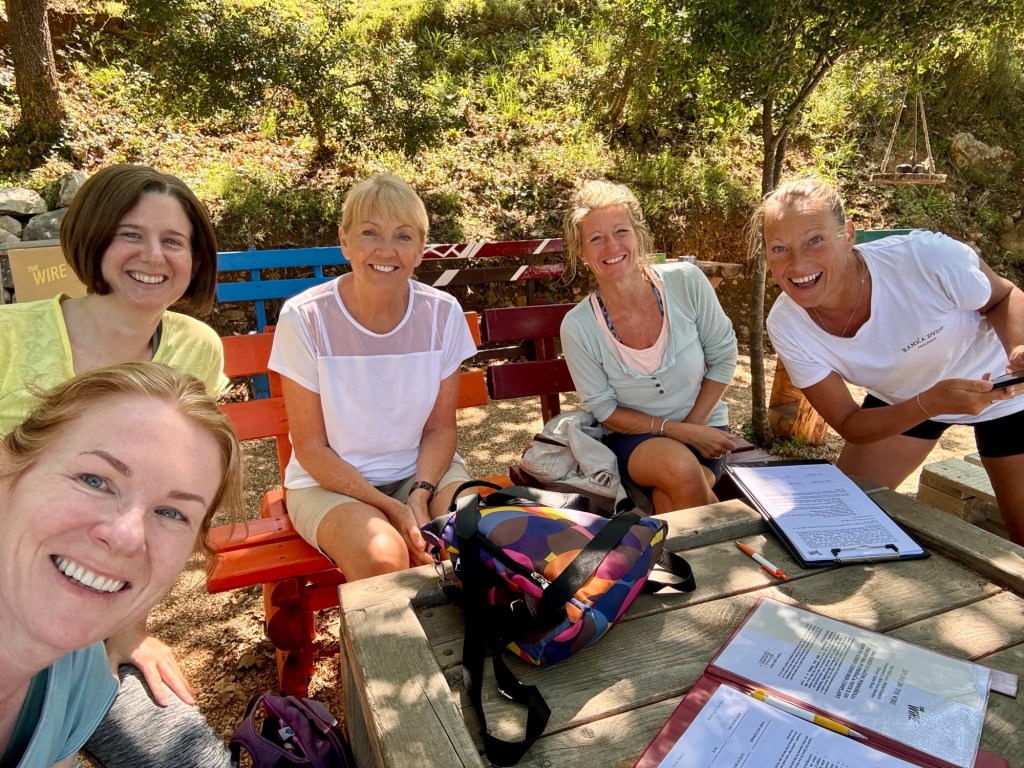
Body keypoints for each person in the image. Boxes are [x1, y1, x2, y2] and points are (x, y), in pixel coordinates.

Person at [0, 163, 232, 766]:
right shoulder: (8, 338)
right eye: (131, 234)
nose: (153, 256)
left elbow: (154, 513)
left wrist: (129, 631)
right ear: (95, 236)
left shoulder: (195, 349)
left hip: (88, 625)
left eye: (173, 240)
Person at [751, 177, 1024, 544]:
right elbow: (848, 422)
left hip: (1005, 392)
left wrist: (1018, 349)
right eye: (779, 248)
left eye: (815, 240)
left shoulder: (923, 258)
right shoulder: (787, 323)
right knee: (838, 520)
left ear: (848, 236)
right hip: (905, 401)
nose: (797, 264)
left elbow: (1003, 296)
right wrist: (931, 403)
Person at [0, 362, 244, 768]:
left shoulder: (77, 669)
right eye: (94, 480)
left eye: (171, 513)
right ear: (8, 472)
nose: (127, 536)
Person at [269, 173, 477, 579]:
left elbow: (440, 429)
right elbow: (311, 447)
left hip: (423, 473)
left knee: (470, 537)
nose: (386, 250)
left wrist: (420, 494)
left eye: (403, 236)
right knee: (383, 558)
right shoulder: (305, 317)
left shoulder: (443, 313)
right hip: (328, 485)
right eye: (369, 233)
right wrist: (391, 508)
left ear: (420, 249)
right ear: (344, 240)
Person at [559, 180, 738, 513]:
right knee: (680, 468)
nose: (611, 246)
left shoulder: (686, 281)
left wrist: (693, 429)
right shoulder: (578, 326)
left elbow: (724, 356)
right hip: (633, 440)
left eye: (621, 231)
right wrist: (678, 433)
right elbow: (605, 411)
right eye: (596, 238)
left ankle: (701, 547)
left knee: (668, 499)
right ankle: (740, 538)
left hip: (705, 428)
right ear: (581, 253)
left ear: (638, 236)